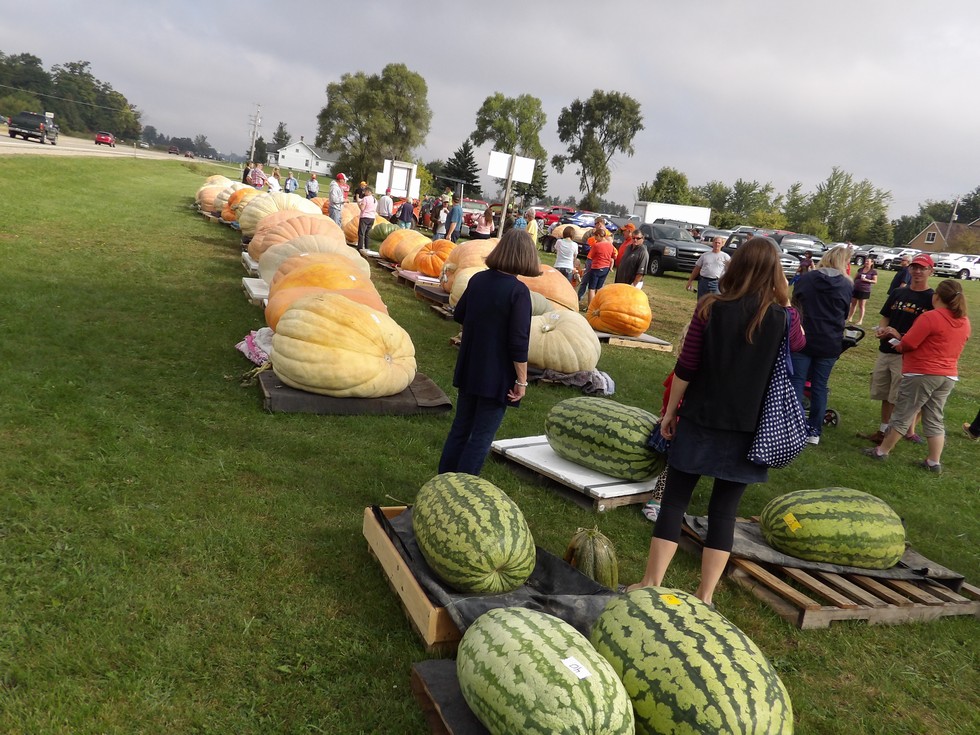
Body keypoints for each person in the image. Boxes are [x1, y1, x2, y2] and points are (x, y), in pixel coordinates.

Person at [629, 238, 805, 605]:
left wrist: (670, 411)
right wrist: (785, 300)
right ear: (776, 273)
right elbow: (800, 344)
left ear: (734, 266)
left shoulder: (710, 307)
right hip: (750, 429)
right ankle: (705, 595)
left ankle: (650, 582)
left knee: (674, 501)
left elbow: (687, 365)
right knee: (724, 512)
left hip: (700, 418)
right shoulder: (783, 318)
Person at [438, 229, 541, 475]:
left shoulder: (477, 279)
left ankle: (442, 482)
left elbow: (459, 314)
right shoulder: (518, 292)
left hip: (470, 365)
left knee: (460, 429)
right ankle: (462, 489)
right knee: (481, 436)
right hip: (497, 374)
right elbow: (518, 342)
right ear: (527, 257)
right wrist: (522, 381)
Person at [863, 279, 970, 473]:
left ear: (936, 296)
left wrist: (897, 339)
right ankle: (933, 461)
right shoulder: (964, 321)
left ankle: (882, 451)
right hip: (948, 375)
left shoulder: (930, 317)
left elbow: (909, 343)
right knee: (935, 417)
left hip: (922, 373)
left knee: (903, 413)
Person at [862, 253, 935, 445]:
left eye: (922, 268)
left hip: (906, 355)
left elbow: (930, 331)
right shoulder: (898, 292)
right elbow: (886, 316)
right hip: (886, 350)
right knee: (885, 394)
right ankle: (883, 431)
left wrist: (900, 336)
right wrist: (882, 329)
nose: (917, 271)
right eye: (914, 267)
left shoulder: (932, 298)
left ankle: (892, 435)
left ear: (931, 271)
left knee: (898, 396)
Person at [789, 246, 853, 445]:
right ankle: (814, 431)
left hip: (804, 337)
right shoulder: (846, 284)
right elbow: (844, 313)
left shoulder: (807, 279)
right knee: (819, 387)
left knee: (797, 383)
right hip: (829, 341)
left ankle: (792, 426)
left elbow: (795, 305)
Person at [584, 233, 616, 307]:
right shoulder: (610, 245)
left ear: (598, 235)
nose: (595, 238)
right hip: (606, 268)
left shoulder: (596, 245)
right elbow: (614, 256)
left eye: (595, 236)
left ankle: (591, 307)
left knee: (592, 288)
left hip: (597, 267)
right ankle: (597, 306)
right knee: (599, 288)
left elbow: (590, 256)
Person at [848, 258, 878, 324]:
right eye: (866, 261)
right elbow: (855, 278)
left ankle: (860, 320)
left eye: (868, 261)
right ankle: (850, 317)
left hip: (865, 290)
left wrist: (867, 280)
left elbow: (875, 281)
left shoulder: (873, 272)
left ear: (872, 263)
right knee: (853, 304)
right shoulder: (860, 269)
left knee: (861, 305)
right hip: (856, 289)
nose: (866, 262)